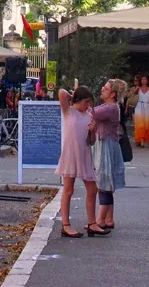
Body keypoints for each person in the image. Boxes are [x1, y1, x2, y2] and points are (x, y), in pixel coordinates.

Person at [57, 86, 108, 238]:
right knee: (68, 189)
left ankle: (92, 223)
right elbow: (61, 92)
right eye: (86, 101)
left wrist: (93, 131)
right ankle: (65, 225)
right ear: (78, 100)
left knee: (92, 189)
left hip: (85, 154)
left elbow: (91, 142)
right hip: (71, 155)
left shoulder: (90, 115)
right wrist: (74, 94)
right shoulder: (68, 111)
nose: (88, 105)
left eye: (89, 102)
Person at [91, 79, 127, 231]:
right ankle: (108, 218)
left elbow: (91, 112)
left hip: (106, 145)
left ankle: (100, 219)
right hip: (107, 144)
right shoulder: (110, 106)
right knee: (106, 181)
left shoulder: (111, 108)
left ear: (112, 94)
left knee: (104, 182)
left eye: (105, 88)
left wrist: (79, 99)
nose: (102, 89)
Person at [133, 76, 149, 147]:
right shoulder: (138, 88)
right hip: (139, 107)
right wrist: (136, 90)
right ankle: (141, 141)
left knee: (146, 125)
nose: (143, 80)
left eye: (145, 79)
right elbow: (132, 95)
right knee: (140, 125)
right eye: (142, 79)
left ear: (147, 81)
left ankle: (142, 139)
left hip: (147, 107)